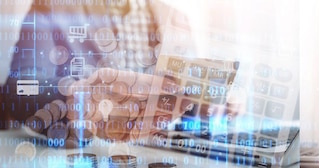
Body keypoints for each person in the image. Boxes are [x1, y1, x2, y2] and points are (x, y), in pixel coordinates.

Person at [0, 0, 223, 148]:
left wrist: (210, 102)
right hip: (91, 159)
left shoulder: (176, 16)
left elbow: (189, 92)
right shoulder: (52, 6)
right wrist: (77, 97)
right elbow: (19, 86)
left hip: (164, 160)